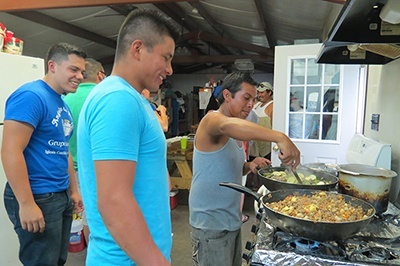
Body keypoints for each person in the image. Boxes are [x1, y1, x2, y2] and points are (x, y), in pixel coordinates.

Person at [77, 8, 179, 265]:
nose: (169, 69)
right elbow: (113, 201)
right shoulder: (117, 99)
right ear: (138, 49)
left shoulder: (132, 98)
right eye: (165, 58)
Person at [189, 71, 300, 266]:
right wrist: (280, 137)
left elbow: (228, 167)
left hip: (230, 220)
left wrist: (249, 165)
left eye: (254, 99)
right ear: (227, 95)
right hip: (211, 224)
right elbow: (225, 125)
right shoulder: (212, 120)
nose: (250, 105)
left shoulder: (235, 131)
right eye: (246, 98)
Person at [1, 42, 86, 266]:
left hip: (60, 195)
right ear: (52, 66)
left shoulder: (62, 104)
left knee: (57, 260)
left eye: (82, 71)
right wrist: (27, 204)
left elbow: (63, 149)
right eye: (73, 69)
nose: (79, 76)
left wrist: (73, 191)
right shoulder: (31, 96)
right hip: (38, 196)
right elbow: (11, 150)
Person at [63, 58, 106, 245]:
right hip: (98, 168)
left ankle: (92, 253)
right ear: (100, 75)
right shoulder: (102, 96)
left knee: (86, 216)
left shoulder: (66, 98)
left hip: (71, 170)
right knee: (105, 214)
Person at [246, 81, 274, 190]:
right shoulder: (257, 104)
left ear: (269, 92)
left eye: (262, 92)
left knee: (263, 165)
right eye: (258, 92)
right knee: (252, 162)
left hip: (264, 142)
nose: (260, 95)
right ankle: (250, 185)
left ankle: (261, 187)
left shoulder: (272, 106)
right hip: (253, 140)